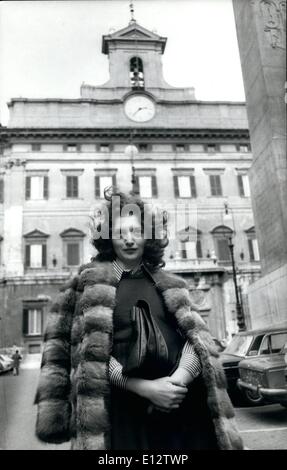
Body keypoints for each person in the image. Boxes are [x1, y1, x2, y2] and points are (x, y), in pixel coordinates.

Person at [35, 190, 244, 450]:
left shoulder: (171, 284)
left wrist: (176, 382)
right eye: (121, 233)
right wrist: (144, 388)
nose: (130, 240)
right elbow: (87, 353)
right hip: (121, 417)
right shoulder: (86, 285)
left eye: (136, 231)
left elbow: (197, 341)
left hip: (182, 412)